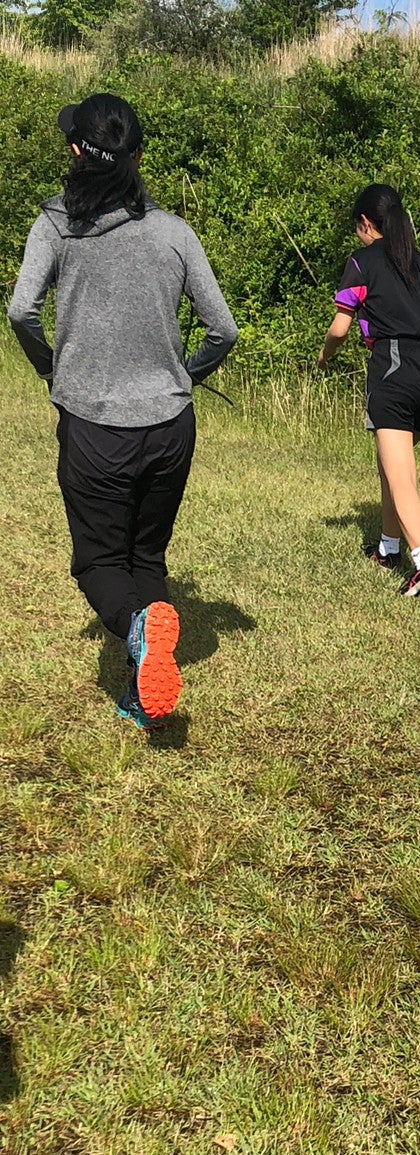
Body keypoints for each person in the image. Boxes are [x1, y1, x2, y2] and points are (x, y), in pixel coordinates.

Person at [7, 93, 238, 730]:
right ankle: (145, 690)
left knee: (99, 563)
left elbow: (21, 311)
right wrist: (184, 377)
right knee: (147, 557)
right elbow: (224, 329)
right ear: (137, 158)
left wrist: (51, 368)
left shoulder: (55, 225)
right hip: (171, 426)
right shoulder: (174, 232)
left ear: (76, 152)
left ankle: (138, 627)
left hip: (94, 427)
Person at [318, 184, 420, 597]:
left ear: (365, 223)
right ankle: (387, 549)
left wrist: (325, 355)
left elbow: (340, 327)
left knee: (402, 474)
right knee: (391, 463)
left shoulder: (362, 263)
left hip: (394, 367)